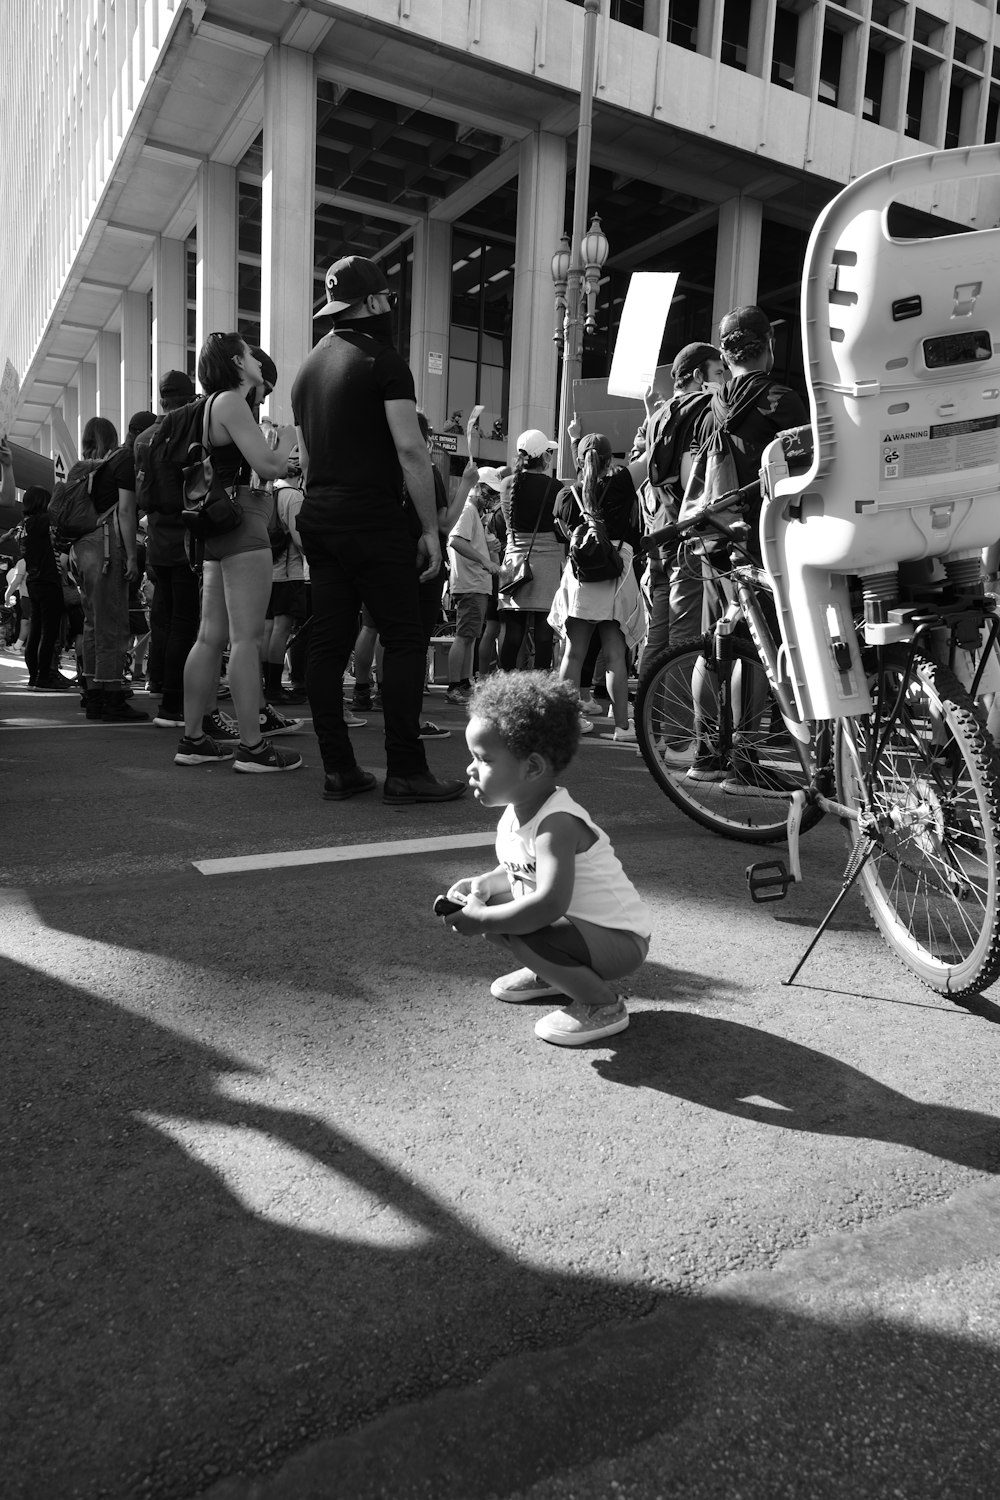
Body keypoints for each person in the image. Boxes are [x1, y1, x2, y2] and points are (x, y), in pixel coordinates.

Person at [290, 254, 464, 804]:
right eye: (387, 296)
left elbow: (305, 454)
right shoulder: (383, 359)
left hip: (319, 515)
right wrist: (430, 532)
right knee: (405, 637)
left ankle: (339, 769)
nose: (392, 304)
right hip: (371, 517)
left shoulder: (307, 369)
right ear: (371, 302)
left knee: (329, 639)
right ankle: (406, 770)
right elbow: (411, 449)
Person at [440, 672, 651, 1046]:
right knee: (503, 914)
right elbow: (519, 871)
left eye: (483, 759)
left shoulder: (557, 824)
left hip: (620, 941)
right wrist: (485, 886)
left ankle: (602, 1004)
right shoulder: (517, 810)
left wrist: (481, 917)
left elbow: (549, 903)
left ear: (532, 768)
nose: (471, 769)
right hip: (584, 930)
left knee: (520, 927)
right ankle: (556, 975)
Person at [174, 332, 301, 773]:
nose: (256, 360)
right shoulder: (229, 401)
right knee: (246, 638)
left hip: (217, 524)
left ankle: (193, 739)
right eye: (249, 353)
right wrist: (285, 440)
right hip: (244, 520)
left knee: (210, 636)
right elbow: (270, 468)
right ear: (235, 361)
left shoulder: (213, 404)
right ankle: (253, 747)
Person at [548, 433, 646, 742]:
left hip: (580, 576)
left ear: (579, 461)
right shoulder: (623, 484)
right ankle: (622, 727)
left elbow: (566, 534)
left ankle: (567, 723)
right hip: (616, 572)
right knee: (615, 655)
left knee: (573, 654)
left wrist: (576, 440)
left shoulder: (567, 495)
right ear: (609, 460)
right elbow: (651, 453)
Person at [137, 369, 217, 733]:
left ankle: (160, 689)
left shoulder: (144, 438)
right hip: (185, 541)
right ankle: (174, 704)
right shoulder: (187, 430)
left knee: (164, 621)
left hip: (156, 540)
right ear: (189, 398)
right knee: (186, 623)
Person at [637, 342, 724, 668]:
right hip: (692, 535)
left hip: (661, 534)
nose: (723, 378)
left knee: (658, 637)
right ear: (699, 374)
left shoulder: (658, 415)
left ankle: (646, 716)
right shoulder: (706, 408)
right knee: (684, 642)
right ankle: (676, 721)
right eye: (718, 372)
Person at [72, 416, 148, 722]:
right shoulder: (121, 460)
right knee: (114, 622)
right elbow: (127, 511)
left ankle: (93, 693)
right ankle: (112, 696)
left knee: (92, 622)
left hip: (82, 547)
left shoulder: (84, 467)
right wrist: (132, 555)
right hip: (107, 545)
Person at [496, 430, 563, 675]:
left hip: (513, 562)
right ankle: (541, 688)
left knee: (513, 633)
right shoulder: (555, 487)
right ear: (544, 456)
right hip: (546, 564)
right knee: (545, 635)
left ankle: (504, 685)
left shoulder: (506, 484)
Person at [445, 467, 502, 703]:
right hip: (470, 583)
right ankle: (455, 685)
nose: (491, 498)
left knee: (469, 636)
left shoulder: (474, 513)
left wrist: (488, 552)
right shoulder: (468, 510)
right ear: (477, 488)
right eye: (488, 491)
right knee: (465, 636)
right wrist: (485, 560)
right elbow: (456, 540)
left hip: (475, 584)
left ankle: (464, 682)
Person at [16, 486, 69, 689]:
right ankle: (44, 677)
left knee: (35, 631)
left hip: (33, 581)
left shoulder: (23, 526)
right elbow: (59, 515)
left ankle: (33, 677)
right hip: (48, 581)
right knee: (49, 632)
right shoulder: (41, 521)